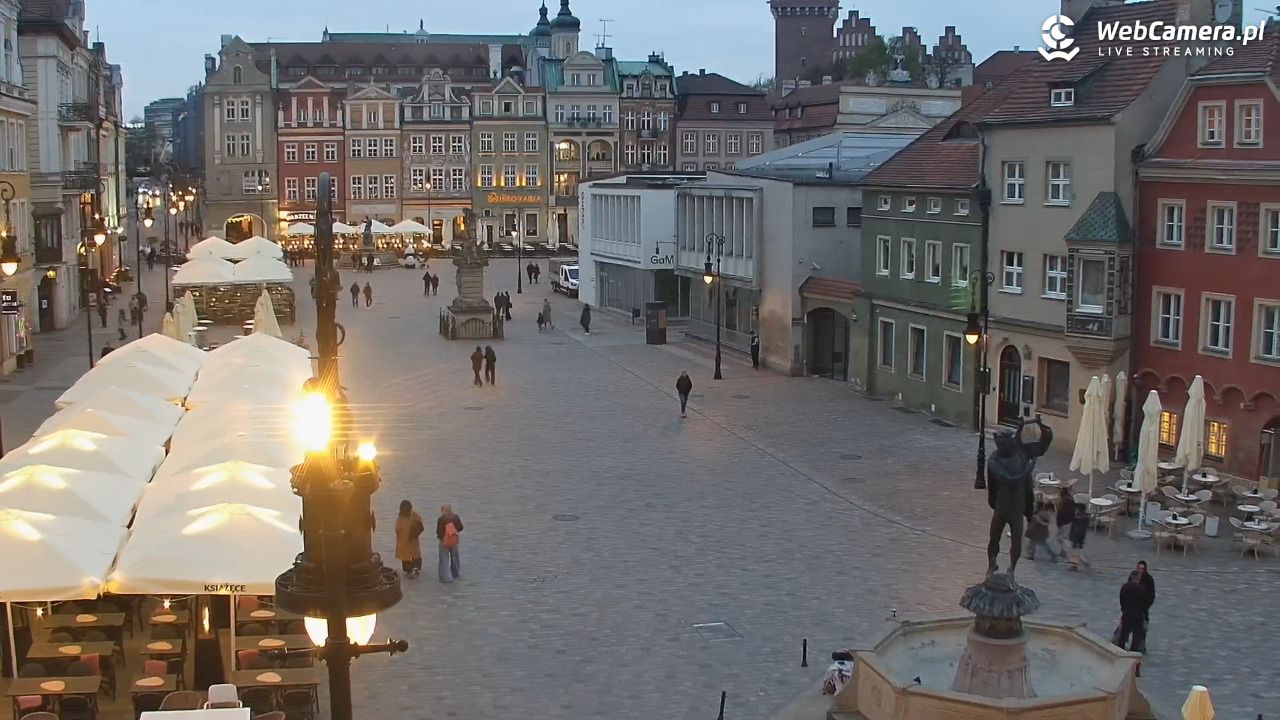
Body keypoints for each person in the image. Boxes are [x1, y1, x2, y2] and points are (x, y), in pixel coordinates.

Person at [1117, 570, 1148, 652]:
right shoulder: (1142, 589)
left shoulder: (1125, 587)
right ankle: (1133, 652)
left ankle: (1120, 651)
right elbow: (1145, 604)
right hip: (1138, 616)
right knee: (1136, 638)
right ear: (1138, 578)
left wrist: (1123, 610)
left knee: (1123, 636)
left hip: (1127, 614)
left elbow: (1121, 600)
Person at [394, 500, 425, 577]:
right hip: (413, 538)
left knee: (405, 556)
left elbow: (397, 529)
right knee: (415, 554)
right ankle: (416, 567)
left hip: (403, 540)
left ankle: (409, 571)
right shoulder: (414, 514)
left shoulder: (400, 517)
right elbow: (420, 521)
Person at [436, 504, 463, 583]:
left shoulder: (441, 519)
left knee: (444, 558)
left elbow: (439, 532)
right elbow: (461, 527)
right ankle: (456, 573)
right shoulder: (455, 517)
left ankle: (446, 577)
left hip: (444, 541)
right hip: (453, 540)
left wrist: (442, 538)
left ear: (443, 510)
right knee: (455, 557)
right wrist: (454, 531)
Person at [1066, 501, 1091, 571]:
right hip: (1077, 537)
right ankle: (1084, 562)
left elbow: (1079, 529)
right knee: (1076, 552)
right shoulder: (1080, 517)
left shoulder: (1081, 518)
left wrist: (1074, 537)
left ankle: (1074, 566)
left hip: (1077, 537)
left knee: (1075, 552)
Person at [1135, 560, 1155, 625]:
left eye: (1142, 568)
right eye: (1139, 568)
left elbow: (1152, 594)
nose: (1140, 570)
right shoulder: (1133, 576)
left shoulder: (1149, 579)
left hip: (1144, 604)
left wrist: (1146, 604)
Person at [1055, 487, 1074, 554]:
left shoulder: (1062, 502)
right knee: (1062, 536)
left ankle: (1066, 548)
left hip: (1063, 522)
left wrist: (1058, 524)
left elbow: (1060, 514)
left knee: (1061, 537)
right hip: (1069, 521)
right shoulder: (1071, 499)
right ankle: (1063, 551)